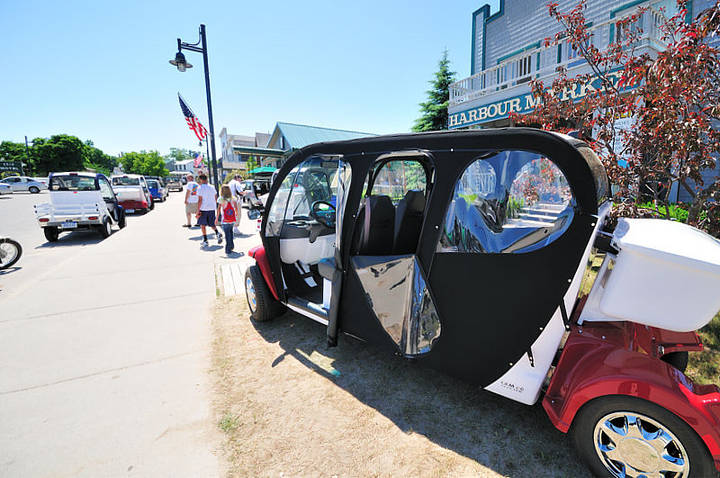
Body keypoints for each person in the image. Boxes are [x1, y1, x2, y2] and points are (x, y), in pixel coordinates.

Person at [195, 174, 222, 247]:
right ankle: (217, 233)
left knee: (202, 225)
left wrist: (198, 210)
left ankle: (205, 240)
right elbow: (216, 197)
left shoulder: (200, 188)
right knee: (212, 223)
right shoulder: (212, 187)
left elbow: (200, 200)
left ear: (201, 180)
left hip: (203, 208)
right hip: (211, 208)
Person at [216, 184, 239, 255]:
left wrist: (216, 218)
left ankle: (228, 249)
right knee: (231, 233)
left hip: (225, 220)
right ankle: (231, 246)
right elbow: (236, 208)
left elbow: (219, 209)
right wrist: (236, 216)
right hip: (232, 219)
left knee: (227, 234)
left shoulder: (221, 199)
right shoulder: (233, 198)